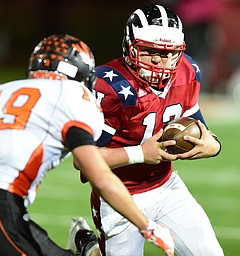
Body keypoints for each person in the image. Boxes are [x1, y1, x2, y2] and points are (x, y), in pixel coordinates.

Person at [0, 34, 175, 256]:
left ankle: (85, 246)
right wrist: (147, 226)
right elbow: (100, 177)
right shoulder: (72, 95)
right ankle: (86, 247)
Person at [81, 4, 224, 256]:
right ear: (130, 46)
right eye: (150, 51)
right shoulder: (109, 85)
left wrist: (213, 144)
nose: (160, 60)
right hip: (119, 195)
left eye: (169, 53)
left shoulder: (188, 71)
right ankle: (89, 248)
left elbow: (200, 128)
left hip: (166, 185)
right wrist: (140, 154)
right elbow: (84, 162)